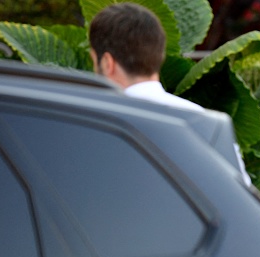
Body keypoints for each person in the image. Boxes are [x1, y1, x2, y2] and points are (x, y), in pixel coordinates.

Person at [89, 2, 251, 185]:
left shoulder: (86, 125)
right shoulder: (208, 127)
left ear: (107, 63)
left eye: (93, 60)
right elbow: (241, 198)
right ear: (159, 55)